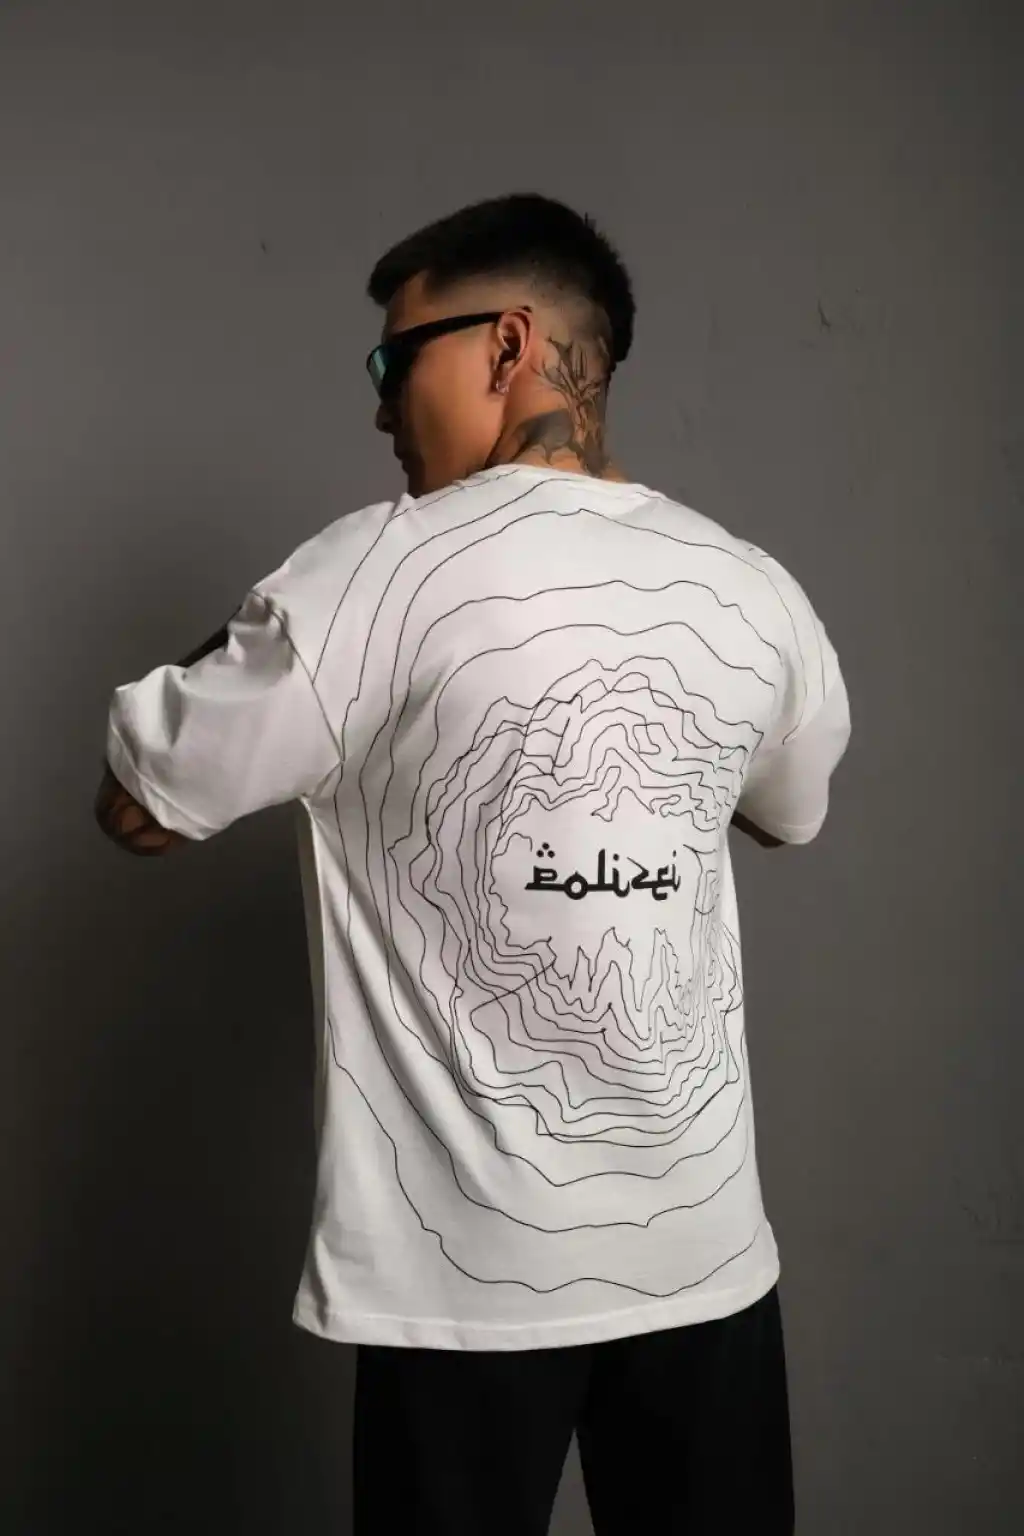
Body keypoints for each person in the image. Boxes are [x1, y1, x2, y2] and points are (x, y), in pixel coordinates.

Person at [96, 193, 850, 1535]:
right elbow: (785, 813)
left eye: (395, 360)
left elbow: (140, 803)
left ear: (507, 343)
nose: (380, 408)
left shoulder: (367, 575)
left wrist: (283, 614)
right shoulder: (754, 588)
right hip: (706, 1260)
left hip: (466, 1289)